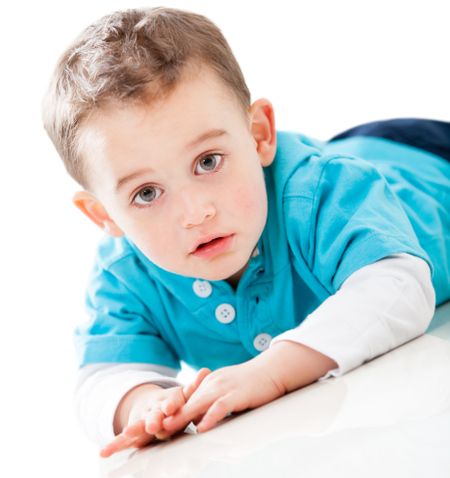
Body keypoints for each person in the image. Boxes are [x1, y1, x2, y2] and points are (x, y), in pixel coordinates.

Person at [41, 6, 450, 459]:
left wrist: (272, 371)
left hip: (424, 155)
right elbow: (100, 376)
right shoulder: (125, 272)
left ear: (259, 135)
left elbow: (399, 286)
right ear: (104, 215)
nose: (195, 213)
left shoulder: (320, 193)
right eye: (147, 193)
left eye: (208, 162)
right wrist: (144, 403)